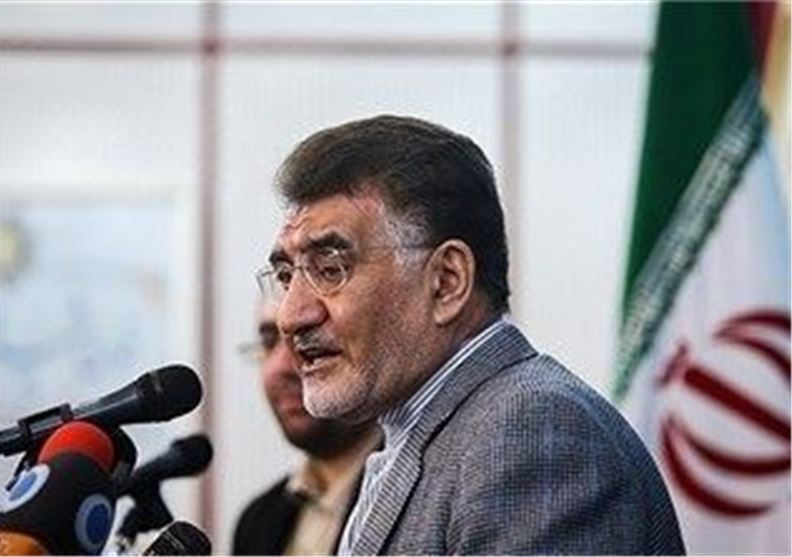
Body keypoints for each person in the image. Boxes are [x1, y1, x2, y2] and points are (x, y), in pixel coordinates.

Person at [259, 115, 686, 555]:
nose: (291, 316)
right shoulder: (430, 431)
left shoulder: (530, 430)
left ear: (447, 281)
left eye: (330, 269)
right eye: (287, 276)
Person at [232, 298, 381, 555]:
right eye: (269, 341)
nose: (280, 368)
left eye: (309, 340)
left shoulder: (422, 502)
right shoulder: (256, 522)